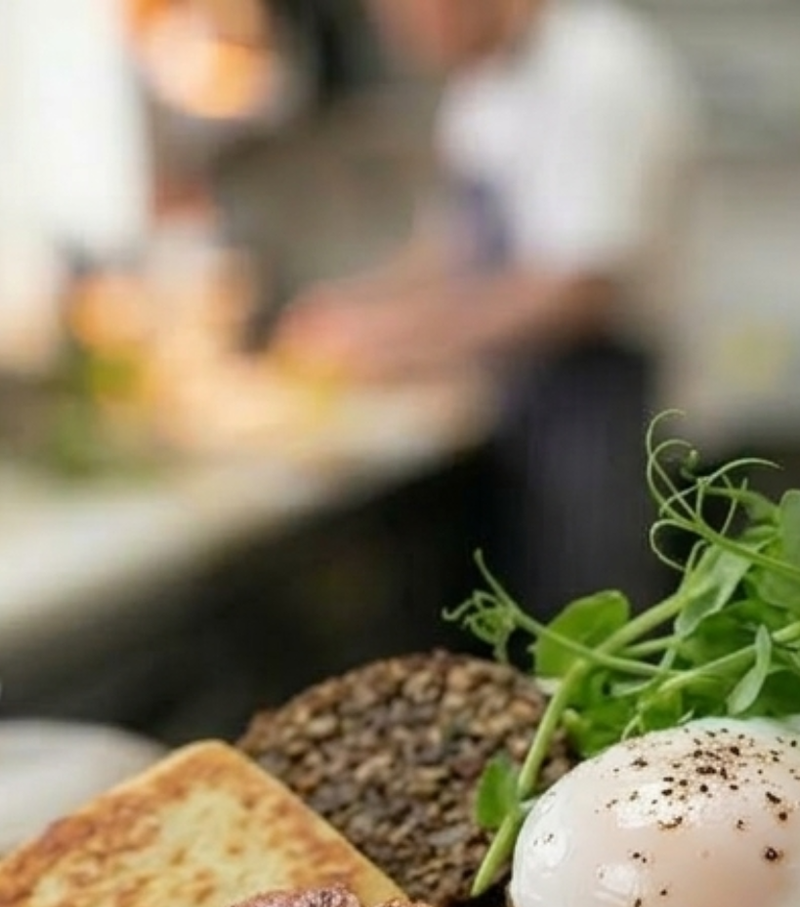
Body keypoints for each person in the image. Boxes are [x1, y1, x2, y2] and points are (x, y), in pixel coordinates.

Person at [277, 0, 698, 613]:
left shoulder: (595, 72)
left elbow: (580, 289)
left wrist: (396, 344)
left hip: (601, 416)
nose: (397, 35)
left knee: (598, 637)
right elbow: (456, 248)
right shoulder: (483, 80)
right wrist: (359, 307)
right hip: (521, 406)